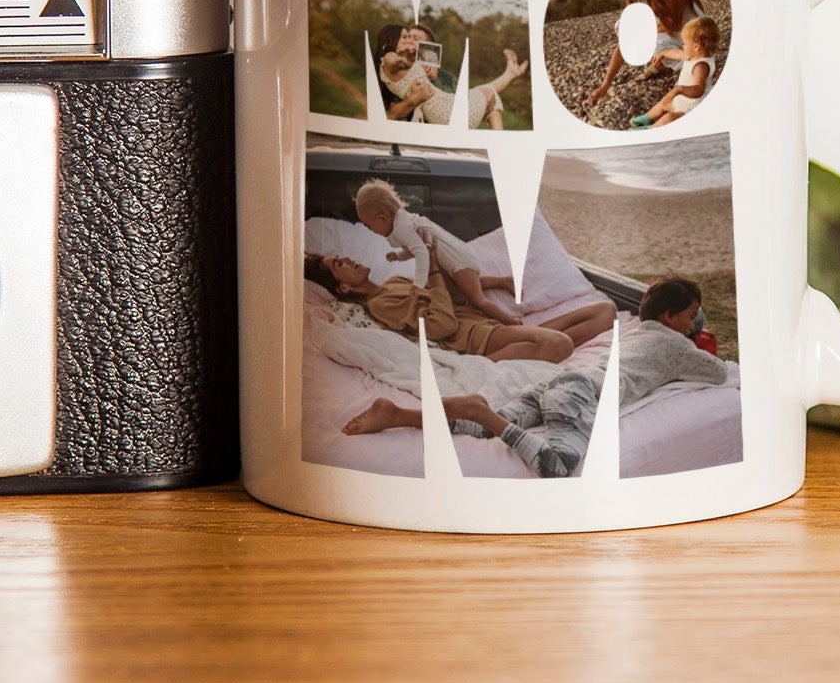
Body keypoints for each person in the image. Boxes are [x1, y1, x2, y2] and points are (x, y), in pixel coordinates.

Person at [342, 276, 729, 477]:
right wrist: (696, 340)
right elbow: (717, 373)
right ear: (669, 318)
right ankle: (481, 410)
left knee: (479, 432)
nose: (695, 320)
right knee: (556, 465)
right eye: (692, 313)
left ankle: (397, 415)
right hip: (582, 391)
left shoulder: (634, 331)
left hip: (559, 382)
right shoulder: (679, 346)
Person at [304, 236, 614, 363]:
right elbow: (440, 325)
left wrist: (441, 259)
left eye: (341, 257)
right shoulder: (379, 304)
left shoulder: (395, 281)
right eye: (338, 264)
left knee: (606, 311)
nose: (347, 259)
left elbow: (452, 297)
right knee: (559, 344)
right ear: (342, 288)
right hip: (472, 339)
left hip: (486, 323)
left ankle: (528, 348)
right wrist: (435, 268)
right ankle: (492, 364)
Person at [354, 177, 524, 327]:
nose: (370, 229)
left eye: (369, 225)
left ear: (382, 218)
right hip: (455, 257)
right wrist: (399, 256)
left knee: (476, 300)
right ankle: (504, 282)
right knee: (461, 287)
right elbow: (413, 248)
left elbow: (421, 252)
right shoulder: (401, 222)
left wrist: (418, 284)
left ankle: (511, 321)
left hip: (457, 261)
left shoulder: (402, 228)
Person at [585, 0, 705, 111]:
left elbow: (674, 25)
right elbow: (623, 46)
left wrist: (640, 31)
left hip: (693, 36)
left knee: (644, 38)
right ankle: (664, 63)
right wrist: (604, 85)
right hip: (668, 34)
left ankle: (668, 63)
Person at [375, 23, 526, 129]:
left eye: (415, 39)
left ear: (430, 47)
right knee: (488, 92)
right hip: (429, 132)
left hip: (453, 121)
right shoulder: (403, 70)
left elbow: (464, 98)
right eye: (407, 37)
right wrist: (415, 98)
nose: (410, 42)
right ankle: (510, 74)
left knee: (487, 92)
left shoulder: (446, 77)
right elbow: (394, 114)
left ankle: (510, 73)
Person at [630, 16, 720, 128]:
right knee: (664, 103)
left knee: (669, 118)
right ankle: (646, 118)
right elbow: (676, 53)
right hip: (683, 98)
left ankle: (650, 129)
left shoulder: (701, 65)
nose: (683, 46)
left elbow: (699, 89)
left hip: (693, 104)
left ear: (696, 47)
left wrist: (680, 89)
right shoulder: (691, 55)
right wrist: (662, 54)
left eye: (685, 43)